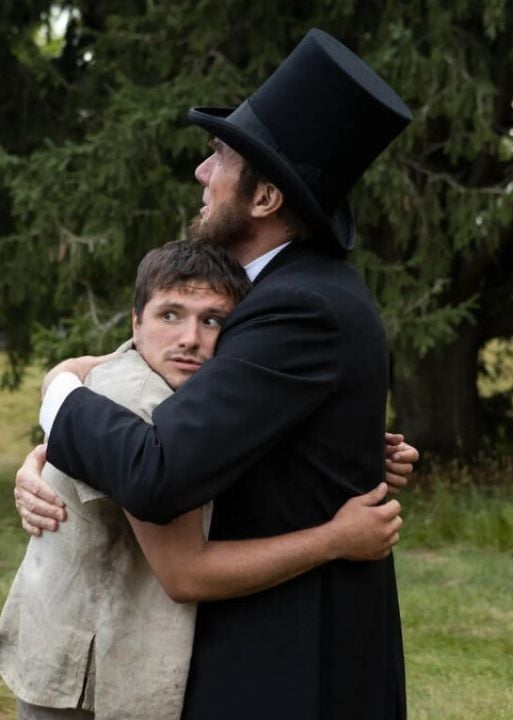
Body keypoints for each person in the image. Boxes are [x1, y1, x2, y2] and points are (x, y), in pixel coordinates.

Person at [21, 29, 416, 719]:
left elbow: (157, 471)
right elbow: (158, 388)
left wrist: (56, 398)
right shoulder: (280, 296)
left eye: (220, 157)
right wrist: (44, 453)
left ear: (264, 199)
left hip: (290, 663)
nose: (203, 173)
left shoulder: (299, 310)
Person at [0, 240, 405, 720]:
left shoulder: (175, 386)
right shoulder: (136, 401)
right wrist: (336, 539)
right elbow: (186, 573)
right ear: (135, 323)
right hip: (86, 687)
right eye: (170, 315)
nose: (190, 338)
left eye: (212, 321)